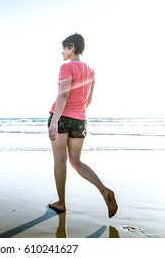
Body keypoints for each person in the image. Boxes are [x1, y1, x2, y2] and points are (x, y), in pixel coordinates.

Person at [47, 33, 118, 218]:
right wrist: (77, 113)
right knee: (76, 162)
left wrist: (55, 121)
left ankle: (61, 203)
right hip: (80, 119)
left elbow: (63, 95)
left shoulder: (66, 67)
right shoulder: (91, 70)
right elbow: (89, 100)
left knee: (60, 160)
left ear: (72, 47)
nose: (62, 52)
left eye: (64, 48)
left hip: (62, 117)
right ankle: (104, 190)